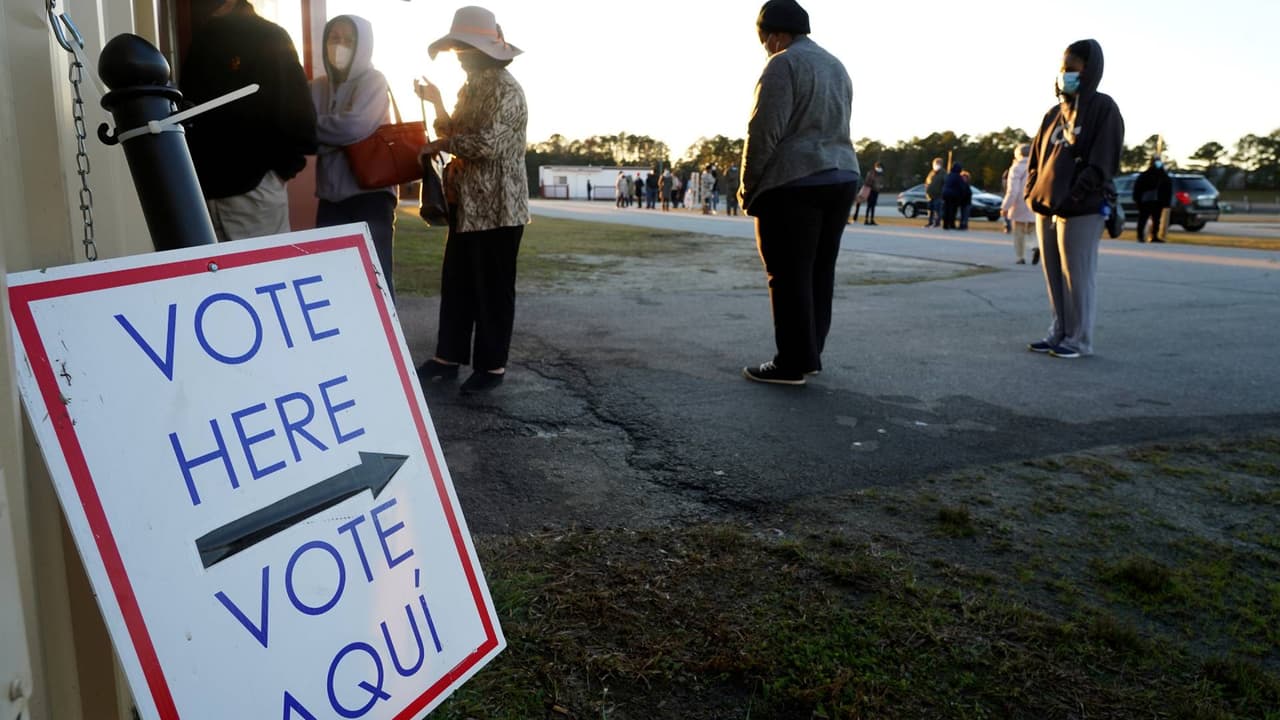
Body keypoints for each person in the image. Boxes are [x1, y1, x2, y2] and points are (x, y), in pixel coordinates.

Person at [739, 0, 859, 386]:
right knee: (819, 270)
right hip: (841, 175)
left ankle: (790, 362)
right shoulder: (835, 65)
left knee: (787, 273)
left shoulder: (783, 63)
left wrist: (749, 186)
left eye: (764, 40)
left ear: (774, 34)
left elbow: (764, 131)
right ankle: (808, 355)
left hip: (797, 180)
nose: (765, 48)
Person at [414, 6, 529, 394]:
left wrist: (443, 142)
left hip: (499, 208)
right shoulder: (472, 86)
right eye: (458, 49)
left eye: (465, 49)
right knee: (459, 283)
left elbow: (488, 143)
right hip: (467, 206)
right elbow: (455, 130)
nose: (460, 56)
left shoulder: (506, 89)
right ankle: (448, 357)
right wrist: (436, 102)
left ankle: (491, 366)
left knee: (493, 290)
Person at [181, 0, 316, 241]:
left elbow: (298, 115)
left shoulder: (265, 37)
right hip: (213, 193)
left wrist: (278, 172)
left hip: (248, 192)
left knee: (258, 273)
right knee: (239, 275)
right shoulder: (204, 41)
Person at [1025, 38, 1124, 359]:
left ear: (1089, 70)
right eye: (1062, 68)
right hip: (1046, 206)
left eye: (1073, 69)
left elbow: (1102, 162)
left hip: (1081, 208)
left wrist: (1074, 195)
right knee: (1053, 274)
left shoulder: (1102, 108)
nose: (1065, 74)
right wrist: (1031, 193)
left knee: (1076, 275)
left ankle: (1079, 338)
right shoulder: (1054, 113)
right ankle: (1059, 331)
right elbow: (1036, 159)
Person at [311, 15, 398, 297]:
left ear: (363, 45)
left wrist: (322, 135)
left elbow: (354, 126)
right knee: (331, 280)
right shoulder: (317, 86)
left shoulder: (374, 80)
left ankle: (385, 340)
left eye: (348, 40)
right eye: (334, 38)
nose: (340, 45)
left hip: (370, 196)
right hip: (330, 199)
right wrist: (335, 136)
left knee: (375, 278)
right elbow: (305, 132)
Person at [1001, 143, 1039, 264]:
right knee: (1033, 229)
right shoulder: (1038, 166)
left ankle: (1020, 256)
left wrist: (1005, 206)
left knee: (1019, 231)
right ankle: (1035, 246)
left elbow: (1013, 190)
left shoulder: (1016, 168)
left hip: (1020, 204)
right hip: (1035, 202)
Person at [1133, 155, 1172, 243]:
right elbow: (1138, 188)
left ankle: (1154, 236)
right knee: (1143, 219)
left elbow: (1168, 189)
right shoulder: (1146, 175)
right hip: (1146, 201)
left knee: (1156, 219)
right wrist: (1137, 199)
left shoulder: (1163, 176)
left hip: (1158, 201)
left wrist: (1166, 202)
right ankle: (1140, 236)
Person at [941, 162, 967, 230]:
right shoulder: (958, 176)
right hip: (953, 196)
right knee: (952, 210)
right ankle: (952, 224)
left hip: (945, 194)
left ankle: (945, 224)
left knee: (946, 210)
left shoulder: (949, 175)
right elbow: (962, 187)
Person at [924, 157, 945, 228]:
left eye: (938, 163)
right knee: (930, 210)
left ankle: (937, 223)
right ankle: (930, 222)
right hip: (930, 195)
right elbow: (927, 182)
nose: (936, 165)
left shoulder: (943, 173)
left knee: (937, 210)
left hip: (938, 195)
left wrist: (942, 192)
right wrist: (927, 189)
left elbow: (945, 184)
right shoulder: (931, 173)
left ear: (941, 164)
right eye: (935, 163)